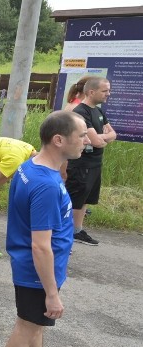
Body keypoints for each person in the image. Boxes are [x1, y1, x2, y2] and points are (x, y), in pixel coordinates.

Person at [0, 111, 88, 347]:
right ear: (59, 140)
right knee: (26, 326)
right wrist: (52, 293)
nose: (86, 141)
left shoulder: (29, 167)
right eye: (81, 135)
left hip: (36, 268)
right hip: (38, 271)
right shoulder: (45, 184)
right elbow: (40, 245)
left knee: (36, 325)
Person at [64, 77, 115, 246]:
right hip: (82, 163)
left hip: (95, 163)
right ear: (91, 92)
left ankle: (76, 230)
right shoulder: (81, 111)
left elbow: (113, 134)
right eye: (105, 91)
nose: (108, 94)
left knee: (85, 200)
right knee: (74, 199)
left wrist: (102, 137)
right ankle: (61, 231)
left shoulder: (99, 112)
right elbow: (96, 141)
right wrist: (102, 138)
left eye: (109, 90)